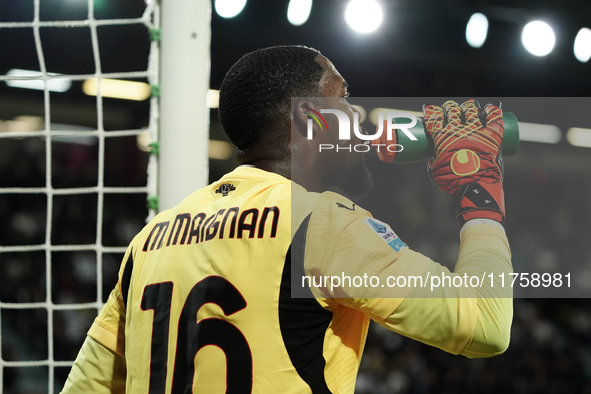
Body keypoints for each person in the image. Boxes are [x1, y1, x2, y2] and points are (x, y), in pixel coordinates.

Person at [60, 45, 512, 394]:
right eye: (344, 98)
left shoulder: (152, 238)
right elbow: (486, 325)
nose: (357, 114)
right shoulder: (321, 224)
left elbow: (86, 386)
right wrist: (478, 190)